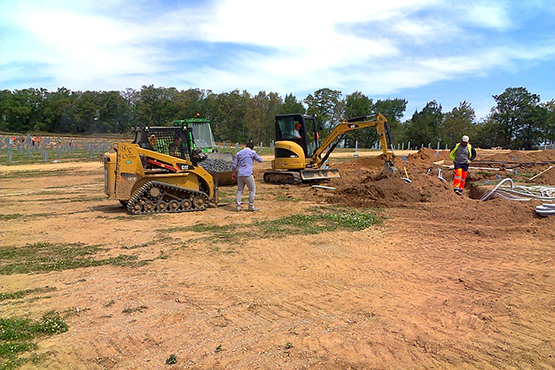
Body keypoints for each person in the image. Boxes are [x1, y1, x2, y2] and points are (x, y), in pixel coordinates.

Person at [231, 141, 263, 211]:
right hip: (248, 174)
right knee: (252, 189)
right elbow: (261, 160)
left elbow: (234, 165)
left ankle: (238, 206)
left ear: (246, 146)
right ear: (252, 148)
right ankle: (250, 206)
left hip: (240, 174)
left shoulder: (239, 153)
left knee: (239, 190)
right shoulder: (252, 152)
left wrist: (233, 173)